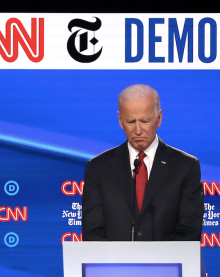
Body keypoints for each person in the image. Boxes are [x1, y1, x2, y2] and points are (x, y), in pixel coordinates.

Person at [82, 84, 203, 241]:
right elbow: (92, 233)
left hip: (168, 264)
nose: (138, 130)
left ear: (159, 118)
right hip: (114, 264)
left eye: (145, 121)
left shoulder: (185, 167)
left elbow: (189, 232)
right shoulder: (98, 168)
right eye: (131, 122)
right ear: (120, 120)